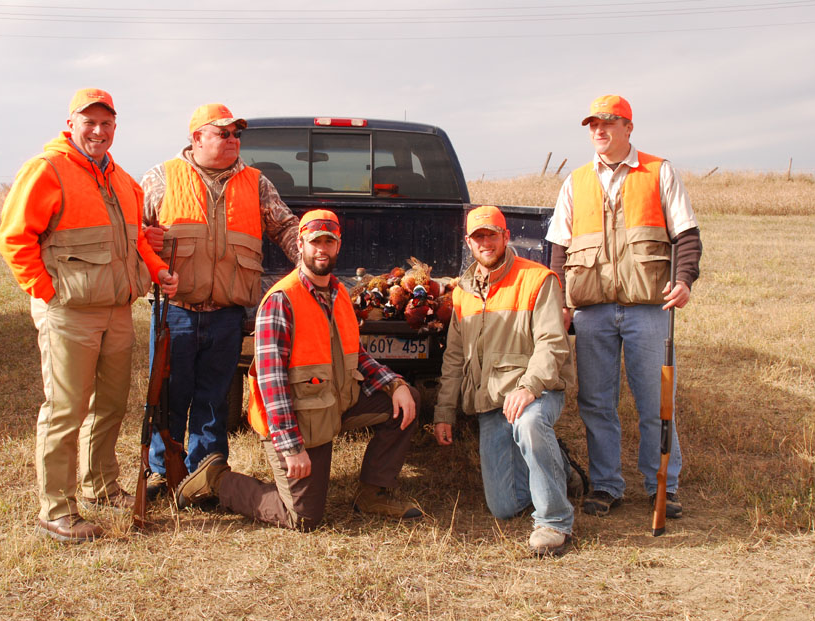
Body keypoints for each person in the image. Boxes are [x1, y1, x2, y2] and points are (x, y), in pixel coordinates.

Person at [0, 88, 178, 542]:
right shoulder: (47, 170)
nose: (99, 131)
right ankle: (56, 509)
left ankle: (100, 485)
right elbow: (14, 238)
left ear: (115, 127)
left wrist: (158, 271)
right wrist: (46, 291)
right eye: (90, 122)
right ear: (71, 123)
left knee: (111, 404)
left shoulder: (122, 179)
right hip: (69, 312)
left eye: (107, 123)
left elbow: (137, 240)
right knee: (65, 409)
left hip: (117, 311)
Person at [175, 209, 422, 530]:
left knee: (406, 400)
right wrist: (291, 447)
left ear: (338, 245)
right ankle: (217, 479)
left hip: (331, 404)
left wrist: (396, 384)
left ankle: (374, 492)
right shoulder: (282, 299)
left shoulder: (341, 294)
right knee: (302, 517)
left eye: (329, 242)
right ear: (300, 243)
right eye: (315, 241)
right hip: (295, 419)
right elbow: (270, 383)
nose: (322, 249)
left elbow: (356, 356)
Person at [546, 94, 702, 519]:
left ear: (628, 128)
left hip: (648, 308)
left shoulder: (658, 171)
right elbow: (558, 247)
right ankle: (607, 485)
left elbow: (686, 235)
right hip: (592, 310)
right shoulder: (575, 181)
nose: (600, 130)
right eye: (594, 124)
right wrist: (560, 302)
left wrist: (684, 280)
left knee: (655, 400)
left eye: (610, 123)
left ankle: (661, 487)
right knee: (596, 402)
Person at [140, 103, 300, 498]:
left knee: (213, 402)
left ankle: (207, 477)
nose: (233, 140)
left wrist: (313, 256)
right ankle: (162, 473)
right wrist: (146, 249)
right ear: (197, 137)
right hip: (174, 313)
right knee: (168, 398)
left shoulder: (257, 183)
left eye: (236, 134)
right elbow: (133, 234)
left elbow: (286, 227)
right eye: (223, 133)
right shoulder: (160, 178)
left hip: (227, 315)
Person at [433, 205, 576, 557]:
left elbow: (552, 343)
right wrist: (443, 413)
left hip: (536, 392)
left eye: (492, 235)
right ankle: (559, 469)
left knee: (529, 424)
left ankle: (554, 522)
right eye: (478, 237)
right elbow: (453, 358)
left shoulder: (537, 279)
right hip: (491, 402)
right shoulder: (463, 292)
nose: (485, 243)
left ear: (506, 237)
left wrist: (529, 388)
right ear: (468, 242)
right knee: (504, 506)